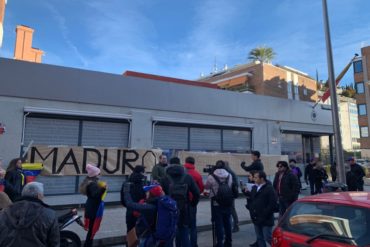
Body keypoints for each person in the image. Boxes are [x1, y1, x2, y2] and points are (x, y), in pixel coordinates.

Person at [0, 182, 60, 246]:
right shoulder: (49, 214)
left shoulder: (5, 212)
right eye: (42, 195)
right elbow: (54, 242)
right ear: (39, 196)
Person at [161, 157, 200, 247]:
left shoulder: (165, 178)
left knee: (169, 234)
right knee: (184, 232)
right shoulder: (187, 177)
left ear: (169, 164)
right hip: (184, 209)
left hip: (169, 210)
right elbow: (197, 193)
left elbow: (160, 196)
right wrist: (192, 203)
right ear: (180, 164)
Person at [124, 183, 175, 247]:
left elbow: (129, 204)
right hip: (161, 237)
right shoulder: (163, 204)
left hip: (148, 238)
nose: (146, 193)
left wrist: (126, 190)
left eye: (147, 192)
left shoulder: (149, 207)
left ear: (151, 194)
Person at [243, 171, 277, 247]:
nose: (253, 179)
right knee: (259, 238)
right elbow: (252, 197)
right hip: (256, 217)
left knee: (267, 237)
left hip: (266, 218)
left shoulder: (269, 188)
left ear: (262, 178)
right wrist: (245, 192)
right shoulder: (255, 187)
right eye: (254, 177)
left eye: (256, 177)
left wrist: (264, 214)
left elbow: (272, 204)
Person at [204, 160, 233, 247]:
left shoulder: (211, 176)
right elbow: (230, 185)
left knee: (218, 223)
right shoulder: (229, 175)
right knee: (227, 222)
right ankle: (228, 242)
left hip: (216, 202)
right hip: (227, 201)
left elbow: (207, 187)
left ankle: (219, 243)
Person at [80, 164, 107, 247]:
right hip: (93, 209)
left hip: (91, 207)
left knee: (91, 231)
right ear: (95, 175)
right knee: (91, 231)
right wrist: (103, 189)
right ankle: (88, 245)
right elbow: (96, 195)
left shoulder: (91, 183)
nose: (100, 175)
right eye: (99, 173)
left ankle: (88, 244)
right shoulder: (93, 184)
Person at [183, 156, 204, 247]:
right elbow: (201, 188)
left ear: (185, 162)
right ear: (194, 163)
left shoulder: (181, 173)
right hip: (192, 202)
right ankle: (193, 244)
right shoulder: (197, 174)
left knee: (182, 226)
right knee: (193, 226)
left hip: (181, 202)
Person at [121, 165, 147, 234]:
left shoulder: (126, 182)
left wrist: (128, 206)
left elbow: (123, 198)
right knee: (141, 231)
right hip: (141, 209)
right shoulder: (144, 183)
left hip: (130, 209)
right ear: (141, 172)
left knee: (130, 231)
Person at [224, 161, 240, 233]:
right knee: (231, 210)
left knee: (232, 210)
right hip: (231, 194)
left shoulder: (229, 173)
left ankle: (235, 226)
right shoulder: (230, 172)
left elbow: (235, 184)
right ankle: (234, 226)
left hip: (230, 194)